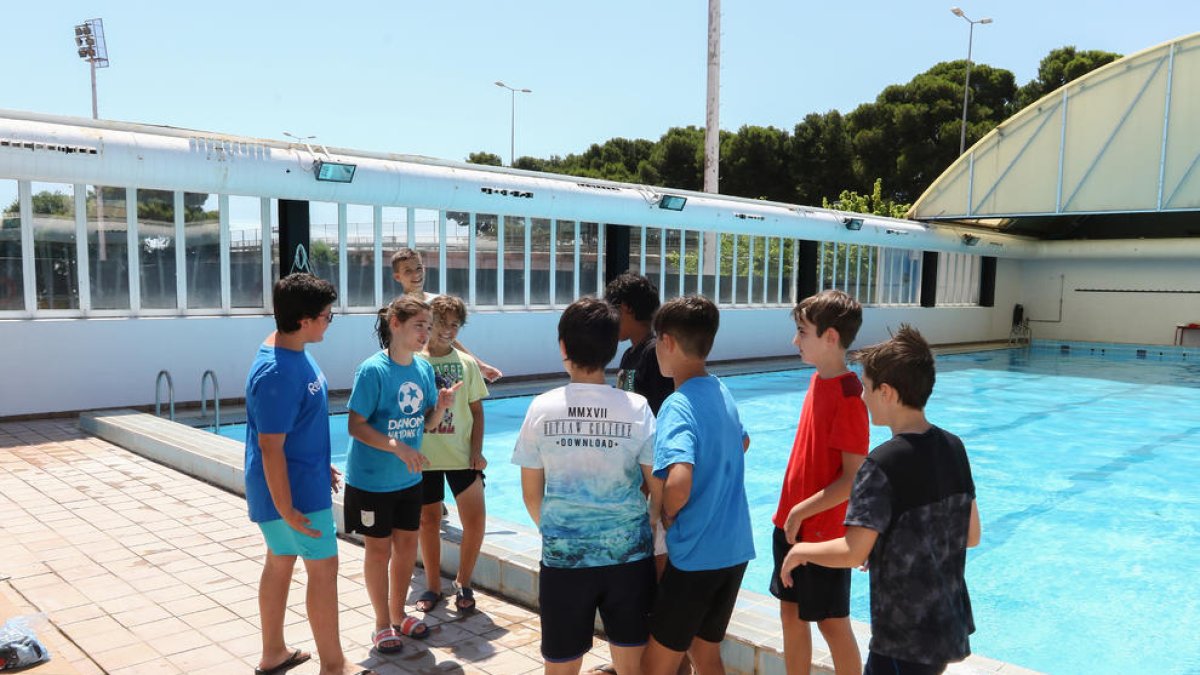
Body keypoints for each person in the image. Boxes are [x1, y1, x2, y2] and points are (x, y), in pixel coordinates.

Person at [780, 325, 981, 675]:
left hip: (902, 634)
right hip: (945, 623)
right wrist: (890, 548)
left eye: (867, 388)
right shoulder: (953, 447)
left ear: (886, 392)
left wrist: (799, 552)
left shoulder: (882, 463)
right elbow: (970, 534)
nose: (861, 397)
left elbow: (852, 552)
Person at [512, 298, 658, 675]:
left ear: (563, 347)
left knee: (561, 665)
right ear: (613, 348)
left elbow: (531, 493)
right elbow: (655, 486)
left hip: (564, 558)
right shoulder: (637, 407)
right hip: (629, 556)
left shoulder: (541, 408)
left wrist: (559, 533)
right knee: (631, 663)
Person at [243, 273, 375, 675]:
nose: (330, 322)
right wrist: (286, 507)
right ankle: (334, 665)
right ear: (304, 320)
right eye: (326, 317)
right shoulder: (278, 372)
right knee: (323, 570)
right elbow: (270, 446)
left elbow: (290, 428)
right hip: (294, 494)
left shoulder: (290, 347)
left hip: (298, 480)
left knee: (280, 560)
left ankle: (273, 653)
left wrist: (321, 461)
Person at [641, 295, 755, 675]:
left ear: (668, 342)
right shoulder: (720, 389)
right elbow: (742, 442)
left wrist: (670, 515)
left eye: (658, 339)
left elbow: (678, 481)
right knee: (705, 655)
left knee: (655, 665)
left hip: (696, 557)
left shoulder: (678, 404)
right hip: (734, 549)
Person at [344, 296, 461, 654]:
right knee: (378, 551)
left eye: (429, 326)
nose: (426, 333)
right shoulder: (373, 371)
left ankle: (399, 616)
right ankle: (381, 624)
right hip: (371, 480)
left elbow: (425, 423)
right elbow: (355, 426)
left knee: (407, 548)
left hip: (409, 478)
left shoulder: (422, 370)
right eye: (419, 326)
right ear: (395, 323)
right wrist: (398, 446)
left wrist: (440, 408)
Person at [771, 289, 869, 675]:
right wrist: (791, 516)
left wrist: (801, 510)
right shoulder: (817, 381)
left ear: (830, 337)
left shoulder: (849, 396)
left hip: (822, 532)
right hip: (790, 524)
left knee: (832, 623)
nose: (795, 340)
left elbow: (853, 479)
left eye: (802, 331)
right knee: (790, 617)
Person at [415, 295, 489, 614]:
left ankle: (463, 581)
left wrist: (477, 452)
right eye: (441, 322)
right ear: (429, 323)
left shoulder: (467, 364)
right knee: (428, 521)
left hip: (461, 457)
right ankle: (432, 586)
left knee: (475, 519)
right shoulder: (415, 362)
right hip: (426, 458)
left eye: (454, 324)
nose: (448, 329)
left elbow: (477, 411)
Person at [391, 248, 502, 382]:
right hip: (413, 373)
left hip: (441, 371)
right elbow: (392, 345)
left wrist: (480, 366)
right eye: (408, 271)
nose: (416, 274)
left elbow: (449, 338)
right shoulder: (395, 308)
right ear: (397, 276)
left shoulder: (437, 301)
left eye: (419, 268)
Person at [605, 272, 674, 415]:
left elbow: (659, 409)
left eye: (612, 312)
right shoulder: (629, 355)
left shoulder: (654, 353)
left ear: (625, 308)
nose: (610, 320)